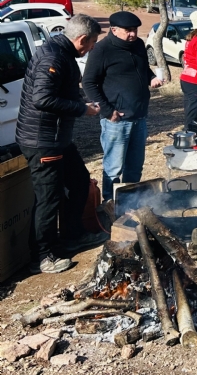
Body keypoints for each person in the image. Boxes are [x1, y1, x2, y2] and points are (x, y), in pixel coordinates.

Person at [16, 14, 105, 274]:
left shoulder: (61, 53)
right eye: (91, 44)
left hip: (58, 140)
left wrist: (79, 98)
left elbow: (58, 91)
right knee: (49, 197)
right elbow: (42, 98)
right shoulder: (53, 57)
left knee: (79, 181)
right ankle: (43, 255)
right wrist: (81, 108)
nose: (91, 49)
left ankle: (72, 235)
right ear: (82, 39)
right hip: (43, 141)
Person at [83, 11, 163, 202]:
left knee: (135, 166)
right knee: (113, 167)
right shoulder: (102, 50)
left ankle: (130, 202)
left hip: (139, 117)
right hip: (116, 120)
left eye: (135, 30)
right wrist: (108, 111)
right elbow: (88, 82)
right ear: (114, 30)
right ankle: (110, 204)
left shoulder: (138, 45)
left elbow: (143, 67)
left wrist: (151, 77)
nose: (133, 34)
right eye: (128, 30)